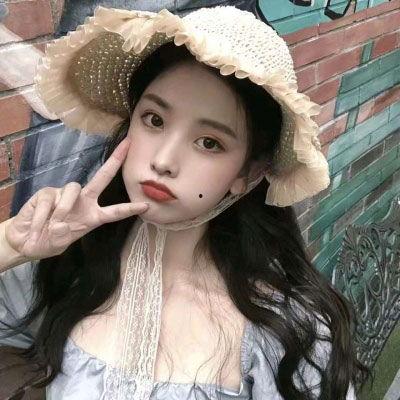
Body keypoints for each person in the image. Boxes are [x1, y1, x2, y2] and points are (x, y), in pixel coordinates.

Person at [0, 5, 368, 400]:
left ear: (248, 173)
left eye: (209, 142)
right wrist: (12, 244)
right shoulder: (69, 263)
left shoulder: (287, 331)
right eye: (154, 120)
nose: (163, 160)